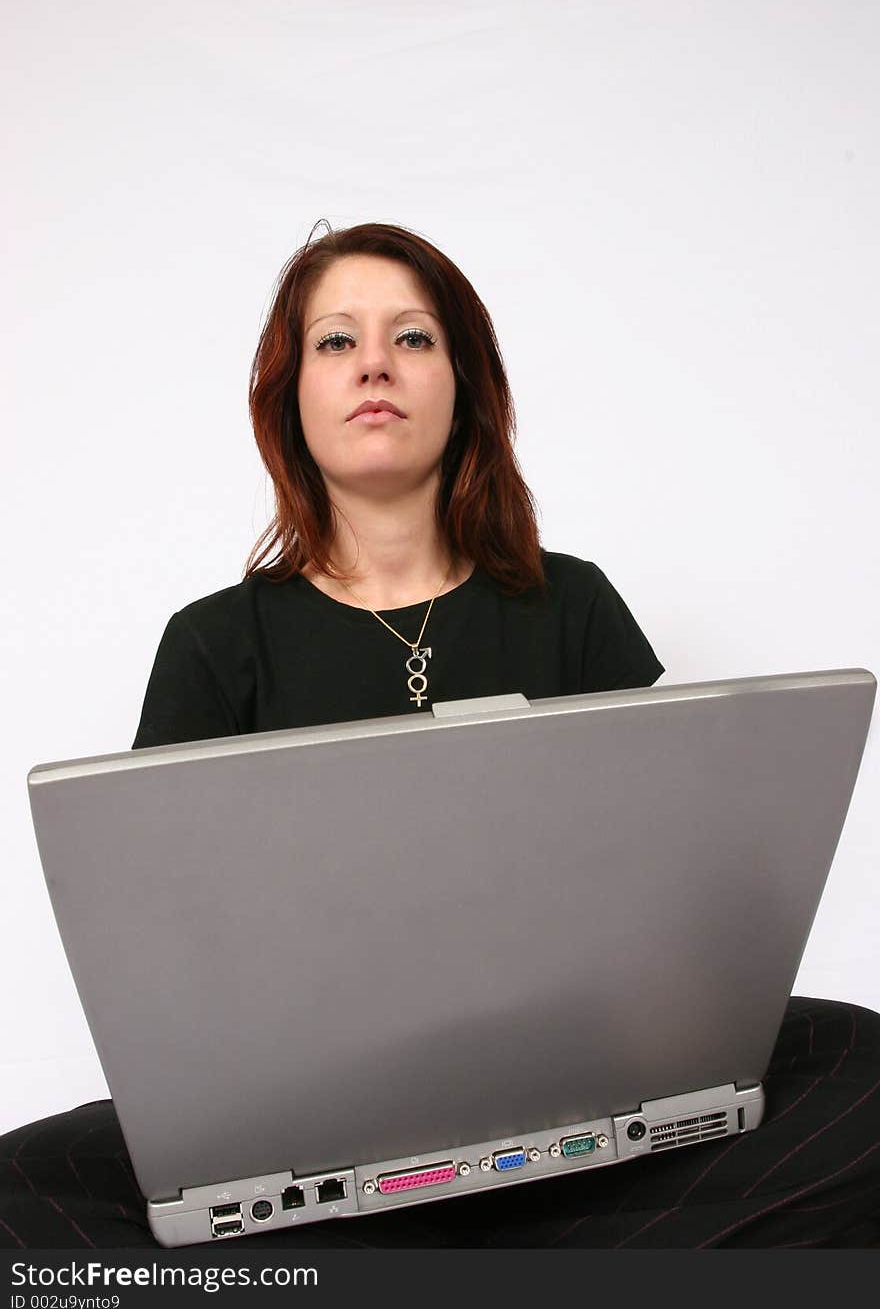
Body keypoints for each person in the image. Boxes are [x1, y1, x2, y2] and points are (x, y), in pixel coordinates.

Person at [3, 222, 878, 1249]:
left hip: (570, 1109)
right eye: (336, 342)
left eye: (412, 338)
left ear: (465, 385)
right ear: (289, 397)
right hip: (309, 1144)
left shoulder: (572, 604)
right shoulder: (212, 644)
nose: (374, 362)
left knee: (857, 1063)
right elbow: (165, 976)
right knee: (24, 1200)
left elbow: (674, 893)